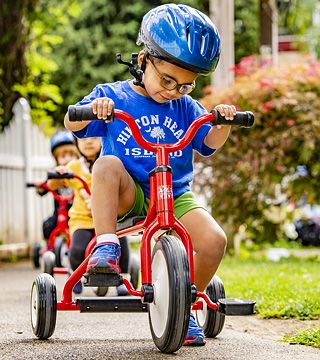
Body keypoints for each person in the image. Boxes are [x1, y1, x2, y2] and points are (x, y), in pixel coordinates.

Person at [64, 3, 237, 346]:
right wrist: (93, 111)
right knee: (106, 165)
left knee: (215, 240)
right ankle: (107, 247)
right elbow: (73, 122)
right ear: (143, 60)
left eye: (184, 85)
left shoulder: (185, 106)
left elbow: (208, 143)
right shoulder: (113, 96)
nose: (173, 91)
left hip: (175, 193)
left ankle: (184, 306)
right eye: (167, 80)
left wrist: (221, 123)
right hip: (131, 193)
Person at [48, 137, 130, 295]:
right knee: (77, 250)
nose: (88, 141)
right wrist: (59, 173)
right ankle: (75, 272)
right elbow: (52, 185)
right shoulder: (74, 167)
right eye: (82, 138)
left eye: (93, 137)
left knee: (121, 245)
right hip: (83, 219)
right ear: (76, 143)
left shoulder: (111, 164)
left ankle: (123, 278)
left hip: (110, 218)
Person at [36, 130, 79, 241]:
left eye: (71, 155)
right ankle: (50, 248)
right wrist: (40, 187)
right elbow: (46, 187)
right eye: (63, 156)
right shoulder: (55, 174)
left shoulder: (79, 172)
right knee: (48, 225)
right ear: (56, 159)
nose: (68, 159)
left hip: (77, 213)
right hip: (60, 213)